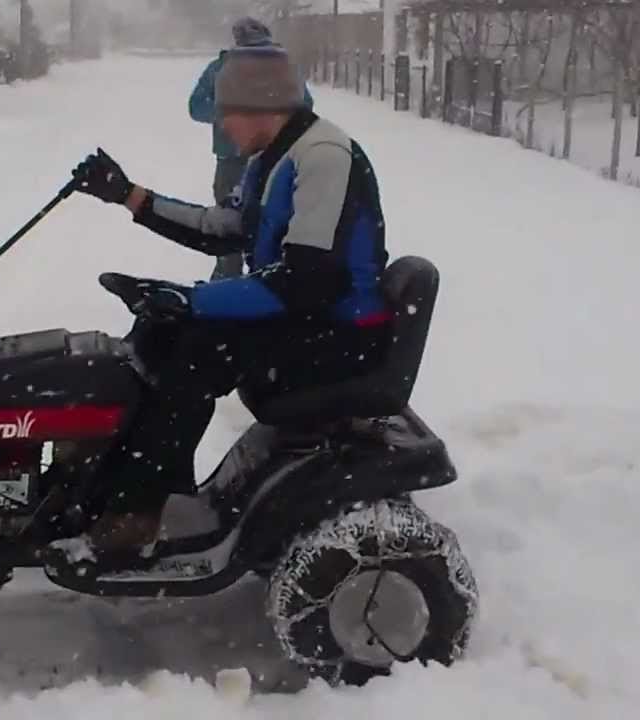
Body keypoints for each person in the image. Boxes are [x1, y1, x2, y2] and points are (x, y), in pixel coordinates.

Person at [64, 43, 392, 557]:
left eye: (225, 115)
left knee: (192, 352)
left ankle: (138, 514)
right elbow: (225, 232)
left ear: (262, 108)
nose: (222, 128)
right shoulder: (276, 155)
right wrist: (130, 196)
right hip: (312, 315)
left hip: (342, 331)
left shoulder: (323, 157)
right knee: (159, 335)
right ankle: (114, 492)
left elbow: (306, 280)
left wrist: (193, 301)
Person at [188, 17, 314, 280]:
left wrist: (226, 114)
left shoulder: (221, 67)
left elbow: (196, 106)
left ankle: (226, 287)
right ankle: (268, 286)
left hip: (235, 159)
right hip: (275, 159)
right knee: (272, 226)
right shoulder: (284, 68)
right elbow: (306, 106)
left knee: (228, 228)